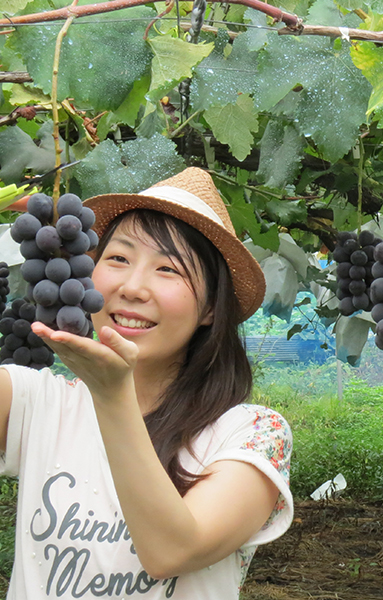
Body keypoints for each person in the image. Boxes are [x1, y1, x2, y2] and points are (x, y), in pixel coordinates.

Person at [0, 167, 293, 599]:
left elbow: (170, 552)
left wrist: (111, 393)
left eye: (168, 270)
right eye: (117, 259)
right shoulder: (35, 402)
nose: (132, 287)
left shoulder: (252, 436)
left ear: (211, 308)